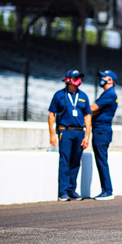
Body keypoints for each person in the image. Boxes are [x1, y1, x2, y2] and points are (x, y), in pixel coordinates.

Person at [48, 69, 92, 201]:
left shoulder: (83, 96)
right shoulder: (59, 95)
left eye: (79, 77)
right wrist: (52, 134)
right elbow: (51, 115)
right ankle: (63, 191)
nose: (79, 80)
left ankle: (72, 190)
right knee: (65, 161)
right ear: (68, 80)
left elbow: (88, 116)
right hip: (65, 131)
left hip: (79, 131)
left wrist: (87, 136)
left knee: (75, 161)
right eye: (75, 77)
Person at [90, 70, 118, 201]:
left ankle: (107, 190)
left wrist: (81, 108)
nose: (102, 79)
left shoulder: (109, 94)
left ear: (111, 80)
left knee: (101, 161)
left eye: (104, 77)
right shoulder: (108, 94)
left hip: (102, 130)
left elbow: (92, 109)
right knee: (101, 160)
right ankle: (106, 190)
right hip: (102, 129)